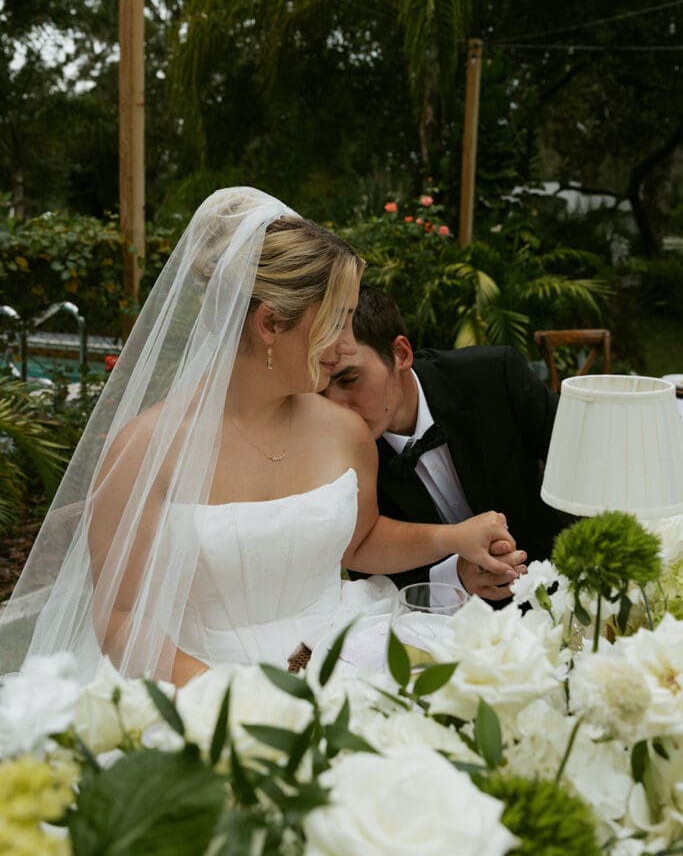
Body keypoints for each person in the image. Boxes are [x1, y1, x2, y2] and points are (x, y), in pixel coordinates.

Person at [0, 189, 516, 686]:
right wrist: (234, 700)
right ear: (270, 323)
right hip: (203, 683)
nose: (346, 345)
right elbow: (121, 616)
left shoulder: (344, 430)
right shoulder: (146, 451)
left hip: (346, 654)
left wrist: (453, 538)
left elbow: (359, 543)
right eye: (337, 321)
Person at [325, 284, 572, 602]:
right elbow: (370, 579)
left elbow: (583, 465)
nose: (335, 405)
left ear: (401, 354)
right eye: (321, 388)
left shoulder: (494, 375)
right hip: (434, 620)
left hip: (561, 588)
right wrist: (455, 578)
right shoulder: (333, 448)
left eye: (348, 380)